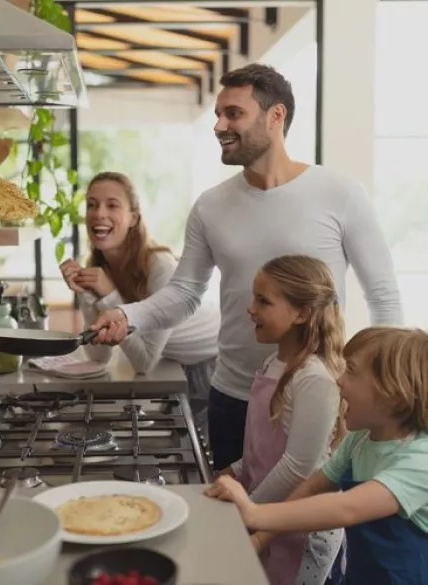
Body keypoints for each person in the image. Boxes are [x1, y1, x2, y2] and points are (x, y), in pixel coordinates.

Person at [88, 63, 403, 472]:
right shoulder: (210, 205)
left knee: (311, 529)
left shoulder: (340, 194)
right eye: (218, 114)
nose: (219, 125)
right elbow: (185, 293)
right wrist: (126, 315)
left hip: (318, 398)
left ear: (276, 117)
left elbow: (383, 296)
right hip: (234, 395)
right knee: (235, 525)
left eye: (233, 113)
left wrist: (381, 383)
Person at [205, 326, 428, 585]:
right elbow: (313, 485)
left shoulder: (419, 461)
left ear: (395, 395)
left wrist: (254, 513)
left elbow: (348, 508)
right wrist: (261, 537)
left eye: (352, 371)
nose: (340, 380)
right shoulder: (360, 439)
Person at [59, 171, 219, 437]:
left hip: (208, 366)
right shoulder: (101, 268)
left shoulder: (160, 266)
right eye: (91, 204)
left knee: (202, 462)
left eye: (112, 205)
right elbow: (98, 356)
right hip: (171, 363)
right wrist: (87, 294)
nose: (98, 213)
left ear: (133, 218)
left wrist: (109, 295)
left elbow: (144, 361)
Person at [218, 254, 345, 585]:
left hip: (302, 528)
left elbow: (299, 466)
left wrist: (249, 509)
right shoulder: (274, 364)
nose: (250, 308)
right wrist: (237, 469)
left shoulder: (313, 378)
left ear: (301, 313)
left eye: (263, 301)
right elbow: (264, 444)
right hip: (269, 514)